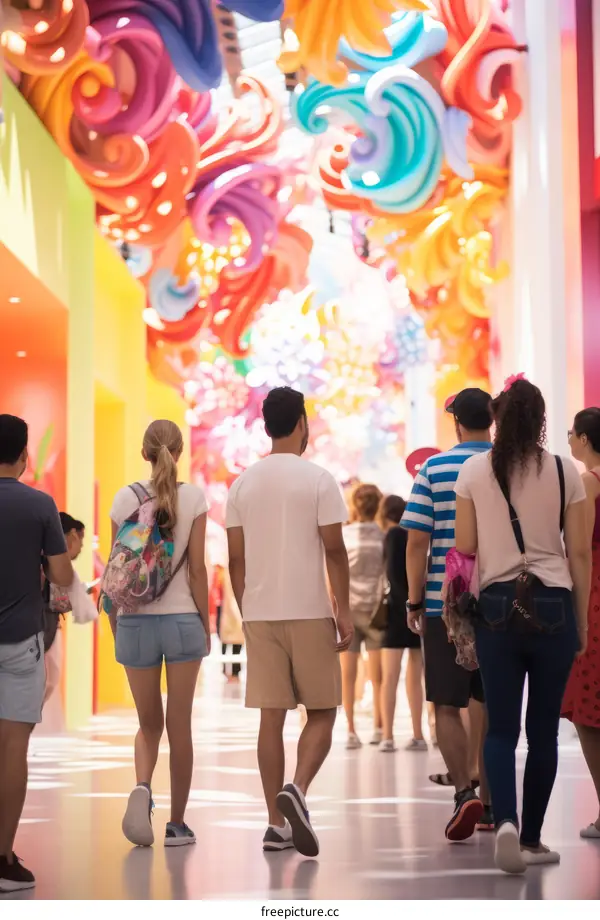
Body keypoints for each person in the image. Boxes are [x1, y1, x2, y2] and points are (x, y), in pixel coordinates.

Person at [455, 379, 590, 874]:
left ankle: (505, 821)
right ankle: (531, 839)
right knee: (544, 733)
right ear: (541, 421)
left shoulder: (474, 469)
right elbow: (578, 551)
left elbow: (466, 543)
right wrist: (581, 622)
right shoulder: (563, 470)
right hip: (553, 600)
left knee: (500, 728)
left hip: (495, 604)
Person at [226, 387, 353, 858]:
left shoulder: (242, 484)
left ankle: (274, 824)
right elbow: (335, 551)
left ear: (266, 426)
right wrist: (344, 610)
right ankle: (297, 789)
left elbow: (236, 559)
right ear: (301, 422)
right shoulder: (319, 480)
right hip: (310, 610)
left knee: (270, 718)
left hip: (260, 614)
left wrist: (247, 607)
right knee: (322, 711)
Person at [109, 420, 210, 849]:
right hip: (182, 619)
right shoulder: (194, 498)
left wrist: (117, 625)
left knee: (147, 725)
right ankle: (177, 824)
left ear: (144, 452)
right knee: (179, 725)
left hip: (134, 622)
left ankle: (142, 787)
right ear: (181, 451)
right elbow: (199, 569)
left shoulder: (123, 498)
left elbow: (117, 569)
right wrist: (205, 625)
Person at [402, 388, 493, 841]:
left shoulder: (434, 469)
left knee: (447, 702)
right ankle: (492, 798)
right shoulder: (512, 464)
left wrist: (415, 601)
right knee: (492, 699)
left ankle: (463, 791)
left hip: (448, 604)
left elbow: (417, 540)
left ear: (456, 422)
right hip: (501, 602)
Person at [0, 415, 73, 891]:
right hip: (21, 642)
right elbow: (64, 576)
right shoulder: (40, 504)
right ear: (25, 456)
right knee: (13, 748)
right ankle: (3, 858)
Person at [563, 408, 600, 838]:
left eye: (572, 433)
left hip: (595, 601)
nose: (569, 439)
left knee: (590, 713)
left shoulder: (589, 483)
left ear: (586, 438)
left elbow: (582, 552)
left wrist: (579, 616)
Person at [378, 494, 426, 753]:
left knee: (390, 677)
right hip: (415, 607)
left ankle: (388, 735)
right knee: (415, 676)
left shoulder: (392, 536)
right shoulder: (413, 534)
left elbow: (391, 575)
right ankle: (418, 733)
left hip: (395, 611)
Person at [342, 483, 385, 749]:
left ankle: (350, 728)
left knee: (347, 674)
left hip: (348, 609)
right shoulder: (383, 536)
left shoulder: (344, 535)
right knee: (377, 675)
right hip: (377, 611)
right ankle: (380, 727)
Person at [42, 514, 86, 706]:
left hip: (46, 628)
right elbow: (60, 600)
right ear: (71, 535)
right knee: (45, 682)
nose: (82, 547)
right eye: (79, 539)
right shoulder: (50, 563)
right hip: (42, 629)